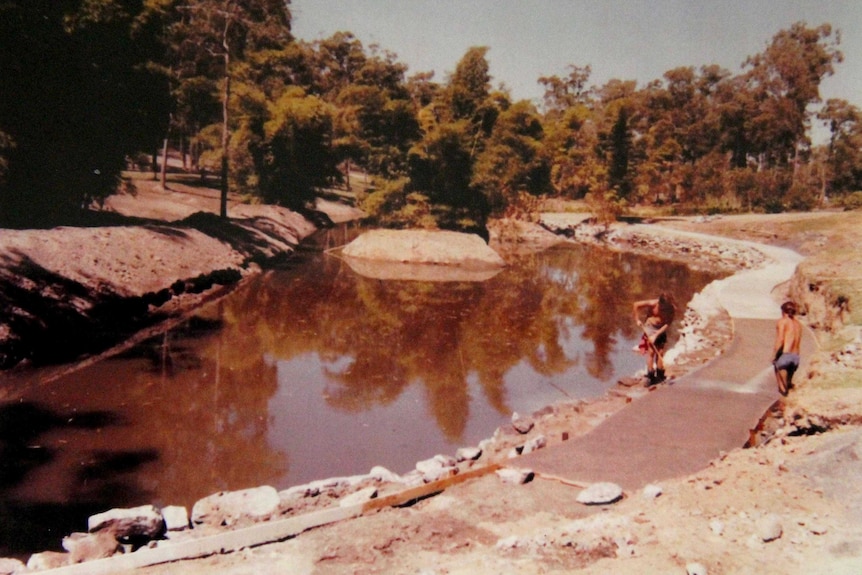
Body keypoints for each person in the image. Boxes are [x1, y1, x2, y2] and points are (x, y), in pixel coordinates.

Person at [633, 293, 676, 385]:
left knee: (660, 352)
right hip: (650, 327)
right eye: (662, 307)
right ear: (660, 303)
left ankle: (660, 375)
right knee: (652, 352)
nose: (664, 310)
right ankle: (651, 376)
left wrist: (657, 334)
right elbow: (636, 305)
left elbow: (668, 323)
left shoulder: (671, 309)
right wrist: (637, 319)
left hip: (661, 328)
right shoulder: (653, 304)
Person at [773, 300, 802, 396]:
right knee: (788, 385)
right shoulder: (798, 324)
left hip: (785, 356)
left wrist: (774, 355)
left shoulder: (782, 322)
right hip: (795, 357)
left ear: (783, 311)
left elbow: (780, 340)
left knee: (782, 388)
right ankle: (790, 402)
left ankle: (785, 404)